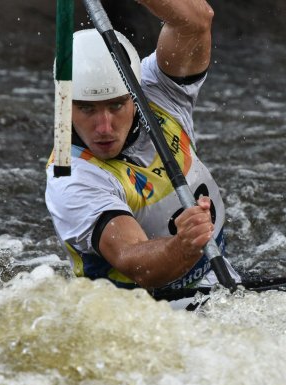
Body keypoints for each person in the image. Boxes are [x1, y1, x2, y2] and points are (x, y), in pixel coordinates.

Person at [45, 0, 240, 291]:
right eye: (86, 109)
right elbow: (134, 261)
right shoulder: (72, 179)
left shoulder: (156, 91)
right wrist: (183, 245)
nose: (104, 127)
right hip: (143, 307)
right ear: (64, 105)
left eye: (116, 105)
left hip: (217, 279)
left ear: (133, 98)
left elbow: (196, 21)